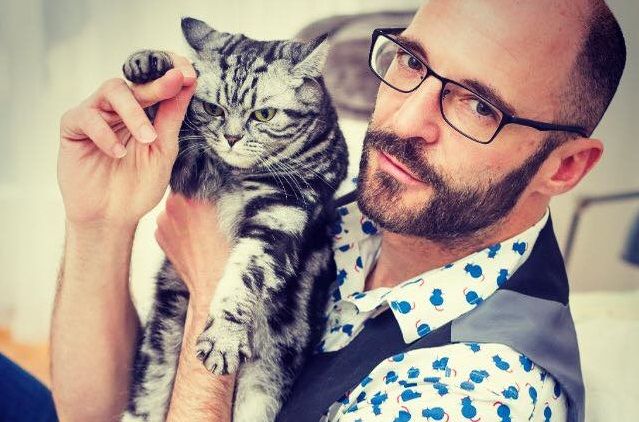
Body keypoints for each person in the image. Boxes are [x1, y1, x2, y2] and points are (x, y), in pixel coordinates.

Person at [49, 0, 626, 421]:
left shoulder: (476, 393)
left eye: (478, 106)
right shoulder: (376, 207)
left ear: (564, 168)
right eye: (411, 62)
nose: (405, 121)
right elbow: (88, 412)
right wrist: (99, 223)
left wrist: (210, 291)